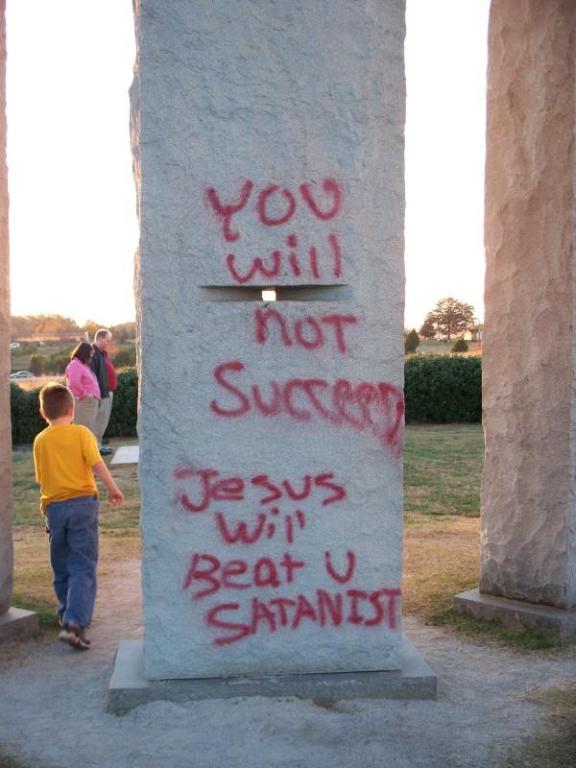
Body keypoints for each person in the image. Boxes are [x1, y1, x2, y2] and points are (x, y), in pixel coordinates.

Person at [33, 382, 124, 650]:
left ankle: (66, 615)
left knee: (61, 565)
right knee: (82, 564)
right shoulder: (82, 433)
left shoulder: (40, 441)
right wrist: (113, 488)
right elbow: (97, 464)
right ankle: (75, 622)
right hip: (83, 504)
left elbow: (42, 478)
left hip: (55, 508)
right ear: (72, 409)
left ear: (43, 413)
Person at [65, 341, 100, 436]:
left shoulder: (81, 365)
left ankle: (89, 450)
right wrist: (85, 394)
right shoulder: (75, 365)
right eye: (91, 353)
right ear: (85, 353)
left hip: (88, 402)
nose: (92, 356)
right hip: (84, 403)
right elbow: (73, 383)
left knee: (88, 429)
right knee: (84, 430)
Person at [91, 329, 116, 456]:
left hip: (106, 392)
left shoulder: (101, 353)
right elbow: (92, 375)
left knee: (103, 421)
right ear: (100, 338)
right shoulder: (93, 354)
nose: (108, 343)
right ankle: (96, 448)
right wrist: (98, 393)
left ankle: (98, 446)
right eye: (107, 340)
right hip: (101, 394)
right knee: (99, 422)